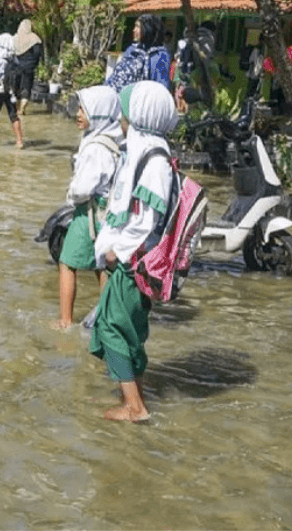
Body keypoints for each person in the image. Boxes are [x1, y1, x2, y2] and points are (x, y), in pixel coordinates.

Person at [92, 80, 177, 422]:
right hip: (136, 259)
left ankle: (134, 407)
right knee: (130, 328)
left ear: (140, 115)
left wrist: (119, 252)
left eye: (126, 111)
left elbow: (147, 218)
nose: (121, 118)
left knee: (112, 324)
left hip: (135, 262)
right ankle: (136, 395)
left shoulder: (153, 157)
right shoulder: (148, 149)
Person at [52, 85, 123, 329]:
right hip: (108, 212)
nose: (78, 113)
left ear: (100, 112)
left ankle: (65, 321)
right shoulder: (113, 140)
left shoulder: (94, 148)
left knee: (67, 262)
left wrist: (70, 196)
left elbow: (83, 189)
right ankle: (106, 316)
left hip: (89, 212)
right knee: (102, 265)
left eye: (84, 108)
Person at [105, 14, 171, 94]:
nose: (134, 30)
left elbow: (162, 86)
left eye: (138, 27)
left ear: (148, 29)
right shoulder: (131, 50)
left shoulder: (160, 55)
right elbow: (118, 74)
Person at [13, 19, 43, 115]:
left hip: (16, 67)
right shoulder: (34, 38)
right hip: (29, 68)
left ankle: (15, 110)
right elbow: (38, 53)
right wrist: (33, 64)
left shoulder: (15, 38)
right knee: (26, 88)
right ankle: (22, 110)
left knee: (16, 89)